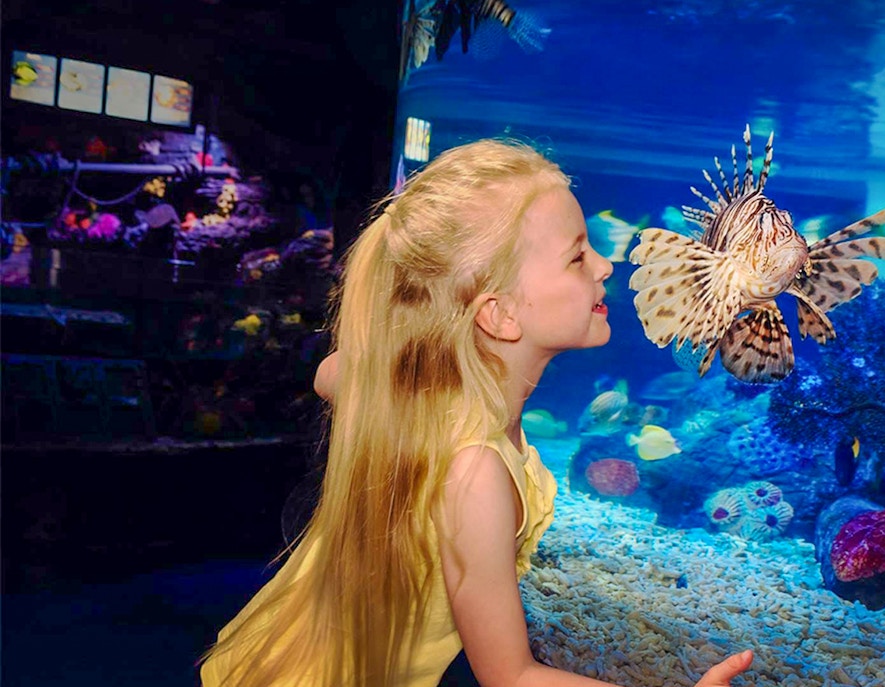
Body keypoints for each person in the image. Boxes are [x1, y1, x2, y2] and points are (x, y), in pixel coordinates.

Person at [199, 139, 755, 687]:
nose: (605, 264)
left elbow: (333, 374)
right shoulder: (474, 472)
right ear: (500, 314)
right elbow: (510, 675)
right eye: (577, 254)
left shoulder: (430, 399)